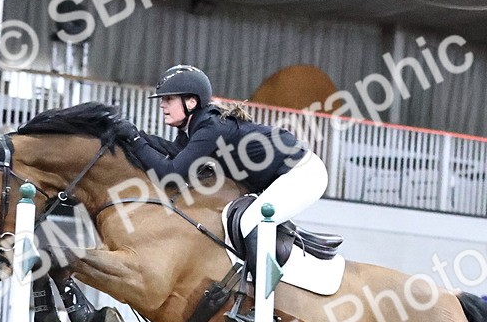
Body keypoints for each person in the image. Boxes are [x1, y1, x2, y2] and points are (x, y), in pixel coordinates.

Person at [115, 64, 329, 241]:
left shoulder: (211, 128)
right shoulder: (195, 127)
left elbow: (171, 173)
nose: (162, 105)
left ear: (191, 101)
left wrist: (135, 140)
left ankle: (263, 293)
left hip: (303, 174)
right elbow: (174, 153)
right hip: (282, 175)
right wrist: (135, 136)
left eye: (168, 99)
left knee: (249, 224)